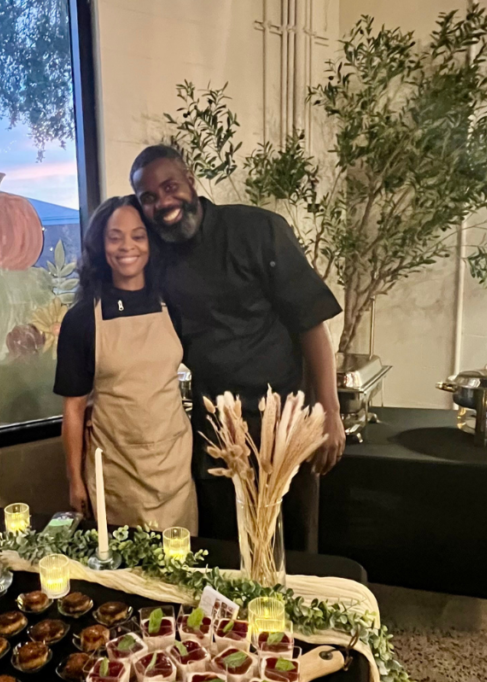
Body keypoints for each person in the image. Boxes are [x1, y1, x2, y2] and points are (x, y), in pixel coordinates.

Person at [130, 145, 345, 549]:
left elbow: (311, 325)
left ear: (191, 181)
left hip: (285, 421)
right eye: (149, 197)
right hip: (215, 428)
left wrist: (330, 413)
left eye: (170, 186)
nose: (163, 202)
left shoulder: (257, 230)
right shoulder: (154, 255)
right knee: (224, 545)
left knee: (290, 545)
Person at [54, 195, 197, 533]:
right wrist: (75, 480)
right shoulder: (82, 319)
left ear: (151, 242)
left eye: (138, 235)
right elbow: (73, 410)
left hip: (174, 465)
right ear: (101, 246)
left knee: (183, 573)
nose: (126, 246)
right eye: (114, 236)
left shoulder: (173, 306)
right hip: (117, 472)